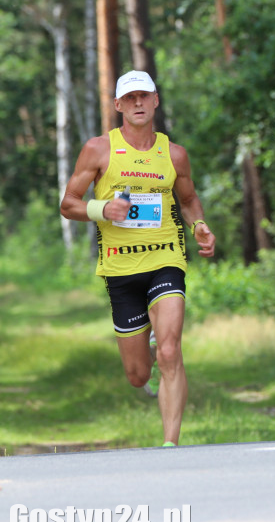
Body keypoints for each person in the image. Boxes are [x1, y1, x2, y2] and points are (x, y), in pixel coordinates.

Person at [59, 70, 216, 447]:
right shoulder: (99, 150)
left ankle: (170, 445)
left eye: (145, 96)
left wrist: (199, 227)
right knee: (137, 375)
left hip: (165, 259)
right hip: (119, 268)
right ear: (118, 105)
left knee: (170, 348)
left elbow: (189, 199)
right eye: (130, 98)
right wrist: (102, 210)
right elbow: (68, 204)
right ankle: (145, 354)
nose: (139, 103)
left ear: (156, 100)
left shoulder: (174, 154)